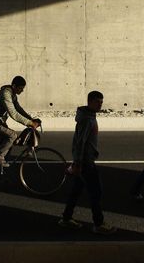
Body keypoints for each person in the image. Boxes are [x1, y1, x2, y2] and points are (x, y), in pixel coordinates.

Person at [58, 91, 116, 235]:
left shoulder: (89, 116)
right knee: (96, 191)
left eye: (101, 102)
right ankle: (98, 223)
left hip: (84, 160)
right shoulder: (87, 120)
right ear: (90, 101)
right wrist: (77, 163)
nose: (100, 104)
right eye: (97, 101)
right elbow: (79, 143)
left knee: (77, 190)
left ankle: (66, 218)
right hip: (86, 161)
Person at [0, 76, 40, 167]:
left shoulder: (13, 95)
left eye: (23, 88)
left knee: (9, 144)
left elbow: (18, 109)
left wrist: (31, 119)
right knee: (13, 135)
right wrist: (30, 123)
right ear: (14, 86)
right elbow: (13, 113)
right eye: (20, 88)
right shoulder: (6, 94)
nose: (22, 90)